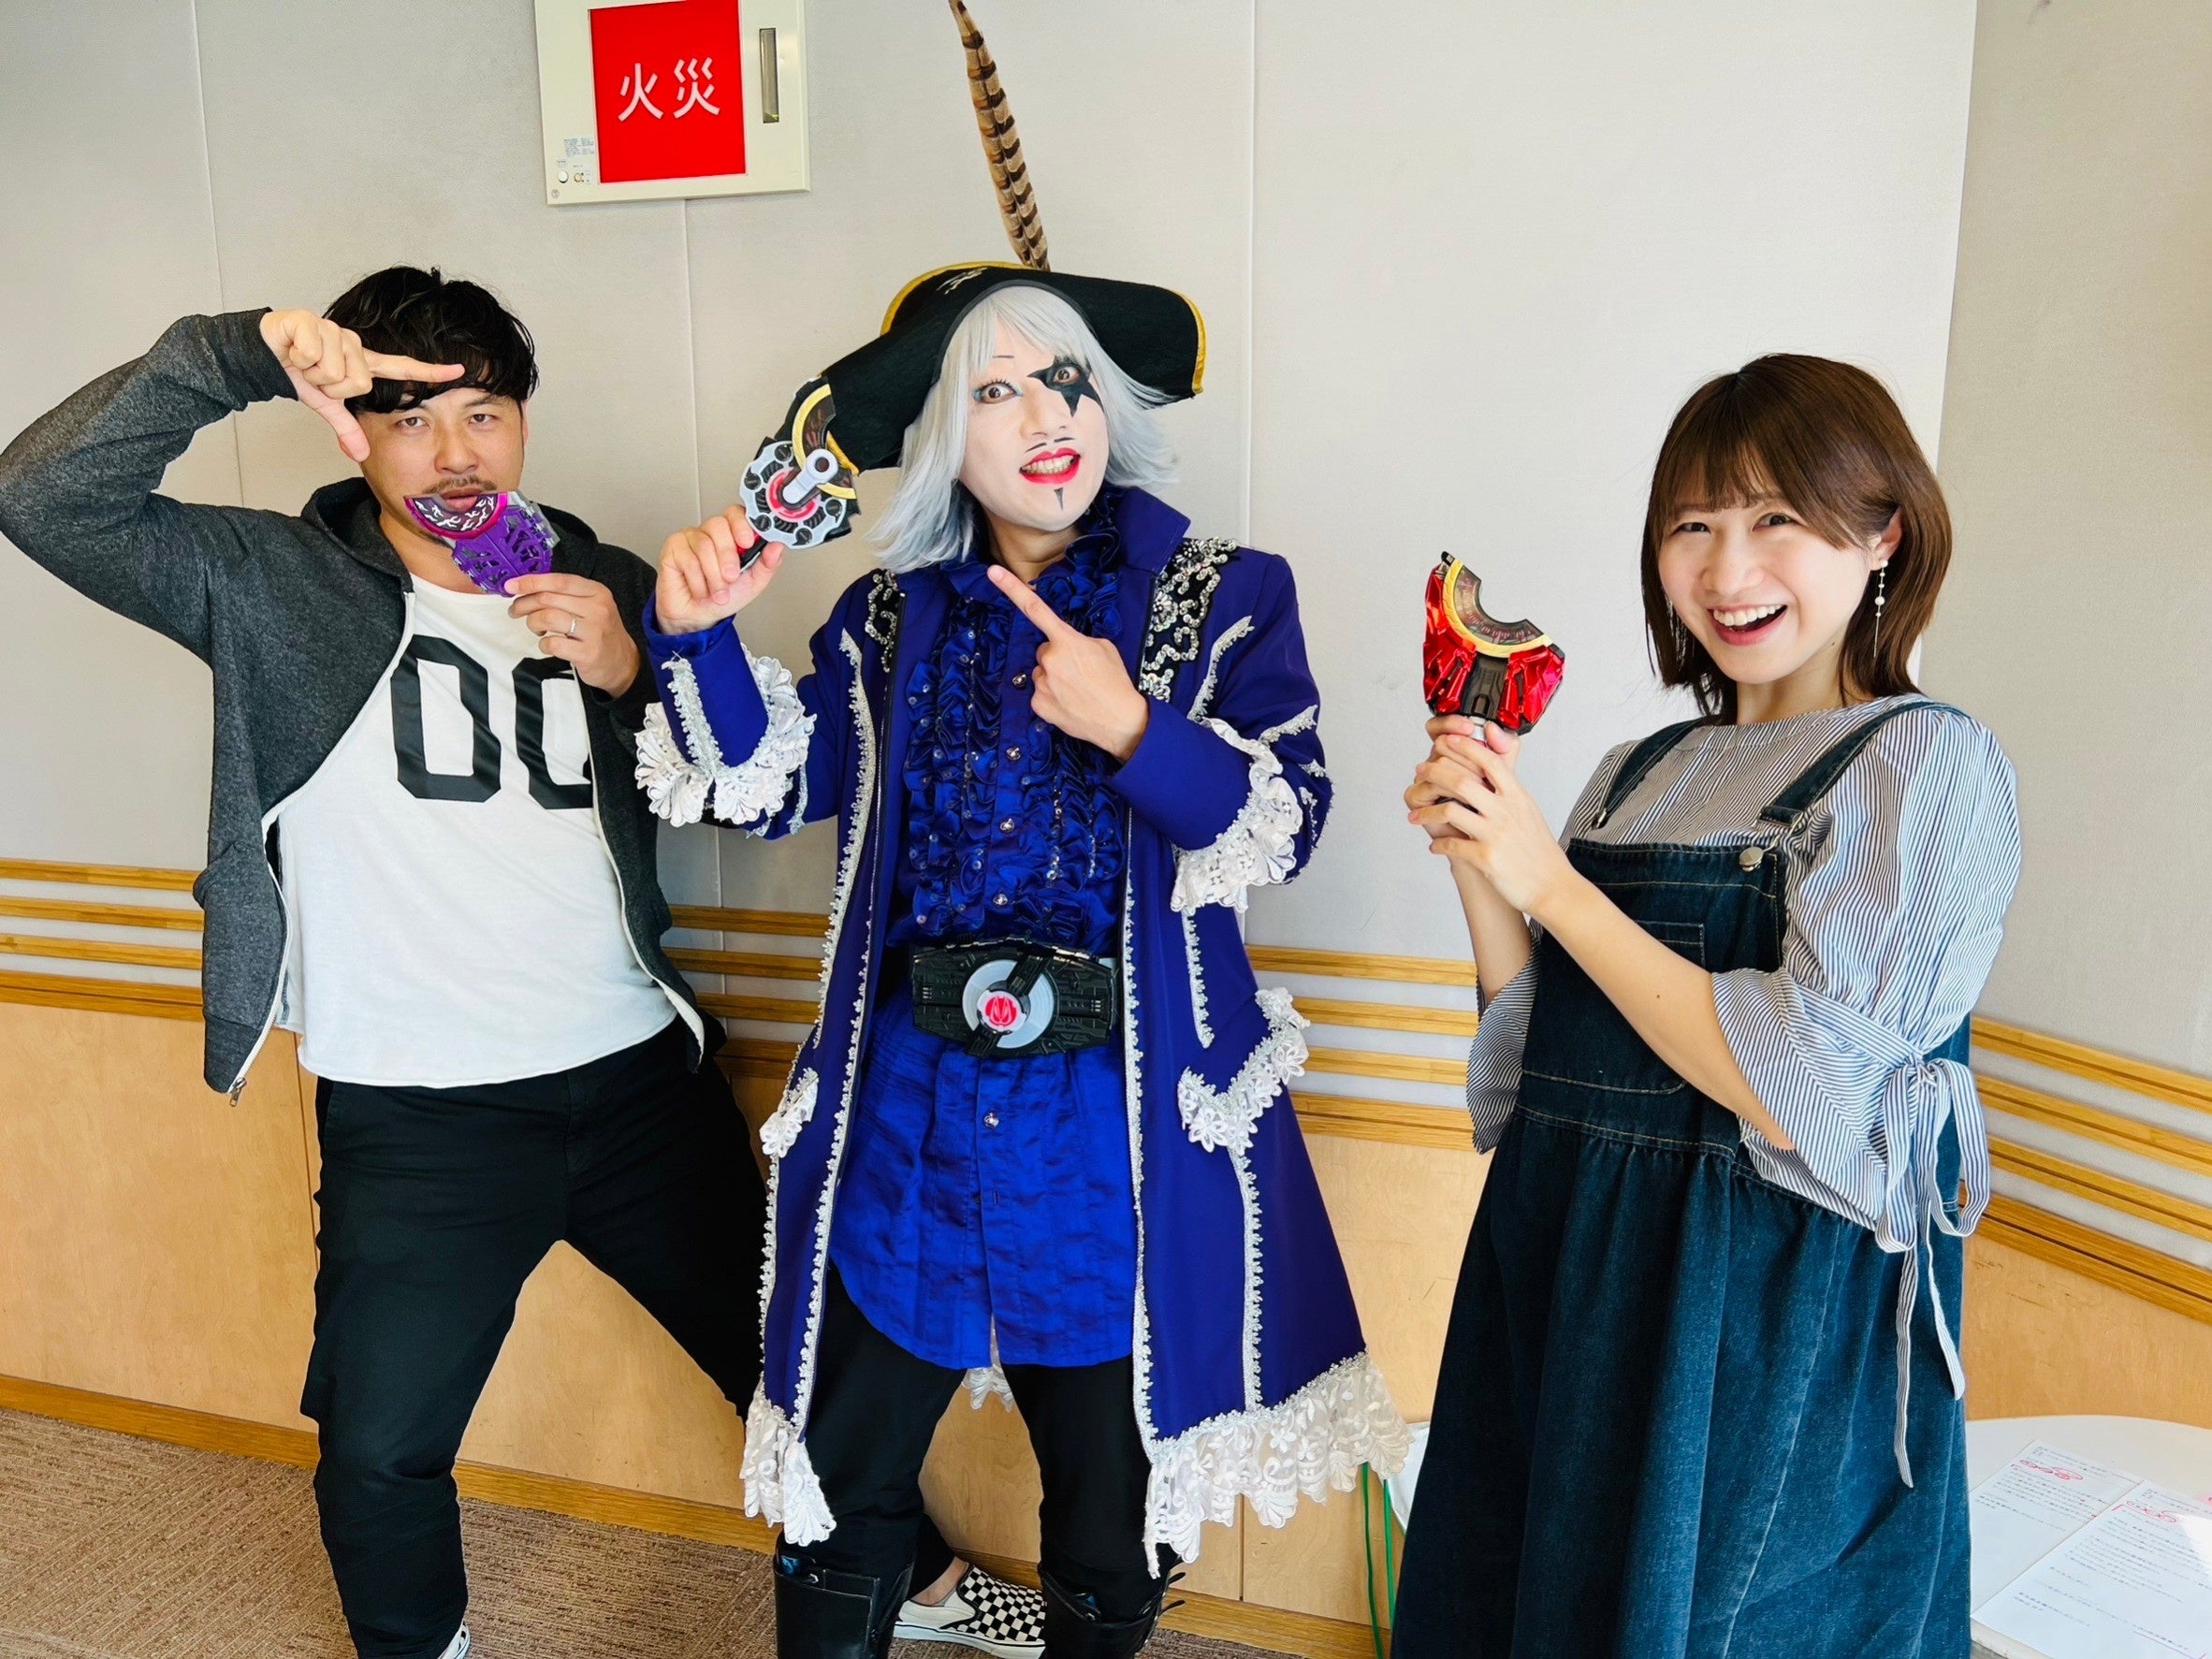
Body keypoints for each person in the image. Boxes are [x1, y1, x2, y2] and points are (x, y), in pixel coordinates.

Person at [0, 269, 1034, 1659]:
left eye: (484, 414)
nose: (455, 454)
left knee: (794, 1371)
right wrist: (238, 354)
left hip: (636, 1082)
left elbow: (738, 780)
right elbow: (41, 495)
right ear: (351, 430)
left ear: (525, 420)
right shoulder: (262, 582)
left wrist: (641, 669)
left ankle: (915, 1581)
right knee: (378, 1444)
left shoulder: (609, 582)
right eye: (409, 419)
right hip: (416, 1110)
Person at [636, 261, 1408, 1659]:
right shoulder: (889, 618)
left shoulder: (1222, 596)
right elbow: (771, 784)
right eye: (996, 391)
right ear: (945, 436)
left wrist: (1135, 728)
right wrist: (696, 639)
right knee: (837, 1477)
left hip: (1116, 1123)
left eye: (1068, 379)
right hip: (914, 1106)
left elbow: (1286, 820)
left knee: (1112, 1501)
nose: (1049, 416)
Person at [1390, 356, 2022, 1657]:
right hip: (1564, 1265)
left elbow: (1806, 1086)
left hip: (1751, 1321)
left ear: (1883, 534)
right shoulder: (1638, 769)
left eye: (1776, 517)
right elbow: (1530, 1069)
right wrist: (1482, 858)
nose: (1728, 570)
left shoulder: (1927, 758)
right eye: (1692, 525)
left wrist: (1549, 882)